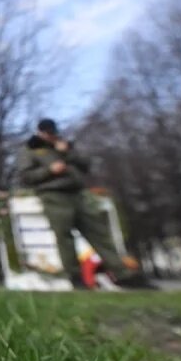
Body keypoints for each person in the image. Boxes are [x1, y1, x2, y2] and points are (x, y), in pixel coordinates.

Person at [17, 118, 155, 290]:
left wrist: (68, 153)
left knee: (99, 233)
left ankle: (122, 274)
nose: (51, 136)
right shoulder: (31, 149)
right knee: (64, 237)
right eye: (47, 133)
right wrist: (49, 170)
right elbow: (25, 177)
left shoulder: (63, 145)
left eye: (53, 132)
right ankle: (76, 278)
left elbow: (85, 165)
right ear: (40, 132)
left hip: (78, 193)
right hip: (53, 196)